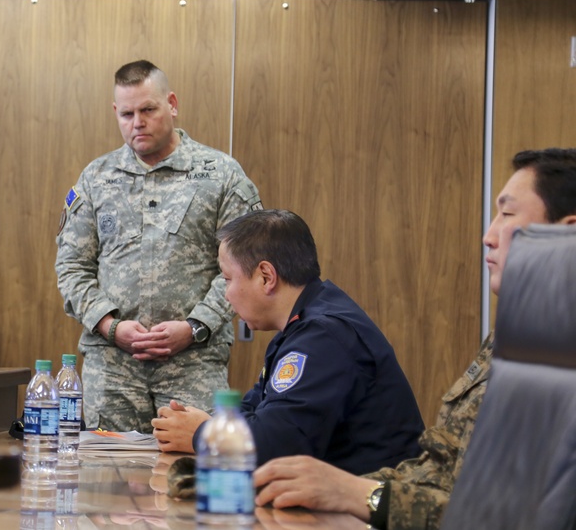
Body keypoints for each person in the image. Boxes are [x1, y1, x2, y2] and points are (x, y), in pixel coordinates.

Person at [251, 148, 576, 530]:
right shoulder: (522, 338)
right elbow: (438, 470)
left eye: (506, 215)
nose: (488, 236)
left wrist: (358, 495)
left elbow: (508, 517)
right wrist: (336, 488)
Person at [55, 59, 263, 432]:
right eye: (127, 113)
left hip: (193, 363)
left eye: (148, 109)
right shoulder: (96, 179)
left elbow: (245, 266)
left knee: (192, 474)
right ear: (116, 113)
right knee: (108, 478)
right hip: (113, 367)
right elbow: (72, 267)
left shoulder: (221, 174)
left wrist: (196, 326)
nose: (138, 122)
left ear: (172, 103)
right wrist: (109, 325)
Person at [152, 209, 425, 475]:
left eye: (228, 279)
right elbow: (255, 413)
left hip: (370, 505)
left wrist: (202, 434)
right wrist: (199, 425)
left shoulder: (325, 336)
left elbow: (277, 445)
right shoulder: (299, 326)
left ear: (266, 277)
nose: (227, 296)